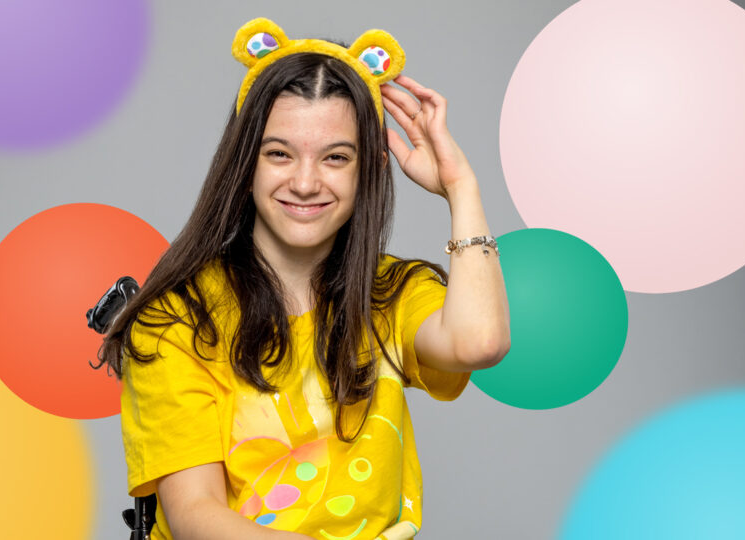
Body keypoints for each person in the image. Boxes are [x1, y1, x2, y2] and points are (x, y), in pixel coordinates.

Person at [95, 18, 510, 540]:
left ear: (369, 170)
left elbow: (480, 342)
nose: (306, 181)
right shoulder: (176, 317)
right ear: (245, 163)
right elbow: (196, 517)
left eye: (336, 157)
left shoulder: (388, 294)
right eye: (279, 153)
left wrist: (460, 186)